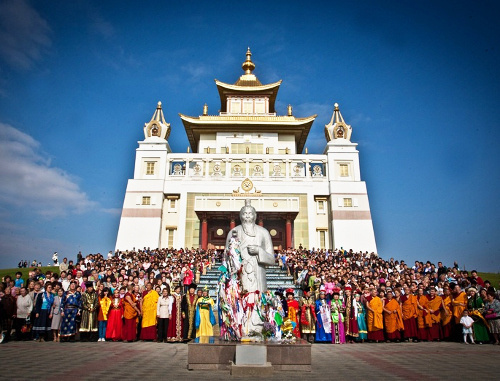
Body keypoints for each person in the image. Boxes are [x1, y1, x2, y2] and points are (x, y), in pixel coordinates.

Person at [225, 200, 275, 334]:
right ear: (240, 216)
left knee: (257, 304)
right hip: (240, 274)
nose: (247, 216)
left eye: (250, 213)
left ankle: (258, 328)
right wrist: (234, 256)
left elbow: (272, 259)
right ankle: (240, 329)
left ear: (255, 215)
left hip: (258, 274)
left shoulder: (263, 232)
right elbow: (226, 256)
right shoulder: (233, 232)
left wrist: (259, 251)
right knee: (240, 303)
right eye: (244, 213)